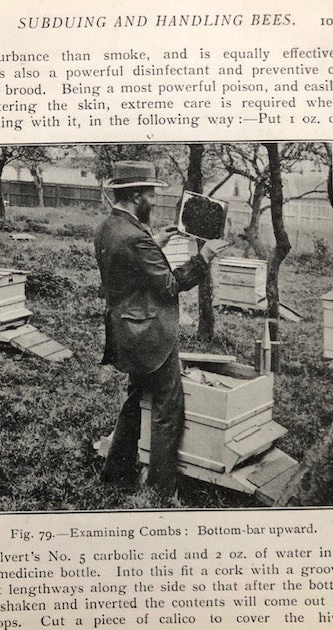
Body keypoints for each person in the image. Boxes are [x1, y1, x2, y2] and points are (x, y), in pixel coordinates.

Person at [95, 160, 228, 497]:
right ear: (135, 195)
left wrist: (155, 241)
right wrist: (205, 257)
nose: (154, 201)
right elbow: (169, 286)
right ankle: (160, 489)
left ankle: (116, 470)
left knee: (135, 398)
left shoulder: (109, 226)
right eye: (150, 195)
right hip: (150, 336)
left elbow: (131, 265)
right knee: (167, 410)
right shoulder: (135, 238)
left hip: (127, 330)